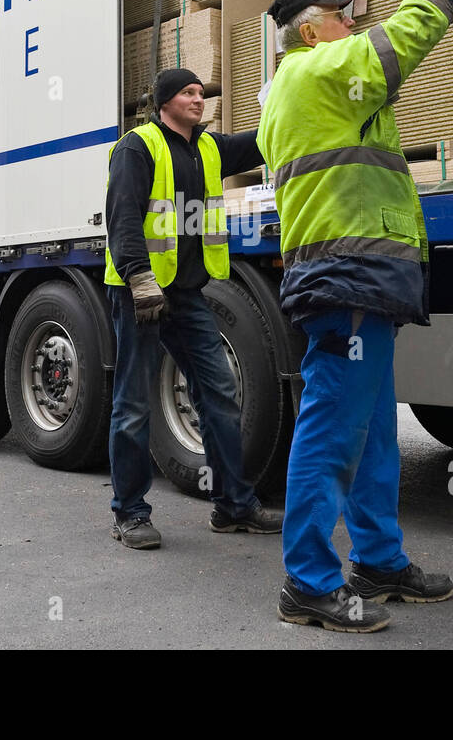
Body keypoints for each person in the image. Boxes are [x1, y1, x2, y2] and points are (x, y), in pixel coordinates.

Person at [256, 0, 453, 631]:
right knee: (330, 431)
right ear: (311, 30)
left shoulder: (302, 88)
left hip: (360, 281)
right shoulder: (317, 71)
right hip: (347, 279)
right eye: (341, 16)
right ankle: (307, 582)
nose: (354, 25)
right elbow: (412, 32)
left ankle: (378, 559)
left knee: (372, 430)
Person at [104, 67, 283, 549]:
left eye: (201, 93)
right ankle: (130, 513)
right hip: (139, 292)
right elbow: (122, 218)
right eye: (187, 93)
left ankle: (234, 506)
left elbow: (265, 140)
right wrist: (141, 279)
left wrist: (285, 86)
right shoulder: (138, 147)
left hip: (186, 294)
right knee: (134, 403)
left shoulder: (209, 147)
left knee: (219, 393)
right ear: (164, 101)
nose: (198, 99)